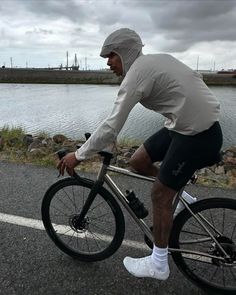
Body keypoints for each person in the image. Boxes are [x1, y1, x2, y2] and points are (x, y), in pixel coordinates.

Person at [58, 28, 222, 280]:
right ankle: (182, 200)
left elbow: (112, 124)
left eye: (111, 55)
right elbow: (194, 77)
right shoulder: (156, 60)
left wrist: (78, 155)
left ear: (124, 52)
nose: (108, 62)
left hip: (198, 135)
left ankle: (158, 264)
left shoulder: (136, 74)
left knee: (159, 194)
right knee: (138, 161)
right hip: (185, 126)